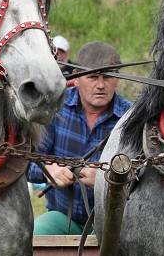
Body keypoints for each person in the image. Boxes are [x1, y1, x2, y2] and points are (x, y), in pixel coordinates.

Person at [27, 43, 132, 235]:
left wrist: (104, 180)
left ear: (117, 79)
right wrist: (47, 170)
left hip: (108, 219)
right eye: (92, 77)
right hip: (61, 216)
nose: (100, 85)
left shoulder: (130, 118)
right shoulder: (55, 110)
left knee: (105, 255)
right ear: (76, 78)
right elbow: (26, 160)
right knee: (37, 236)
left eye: (107, 77)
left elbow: (142, 177)